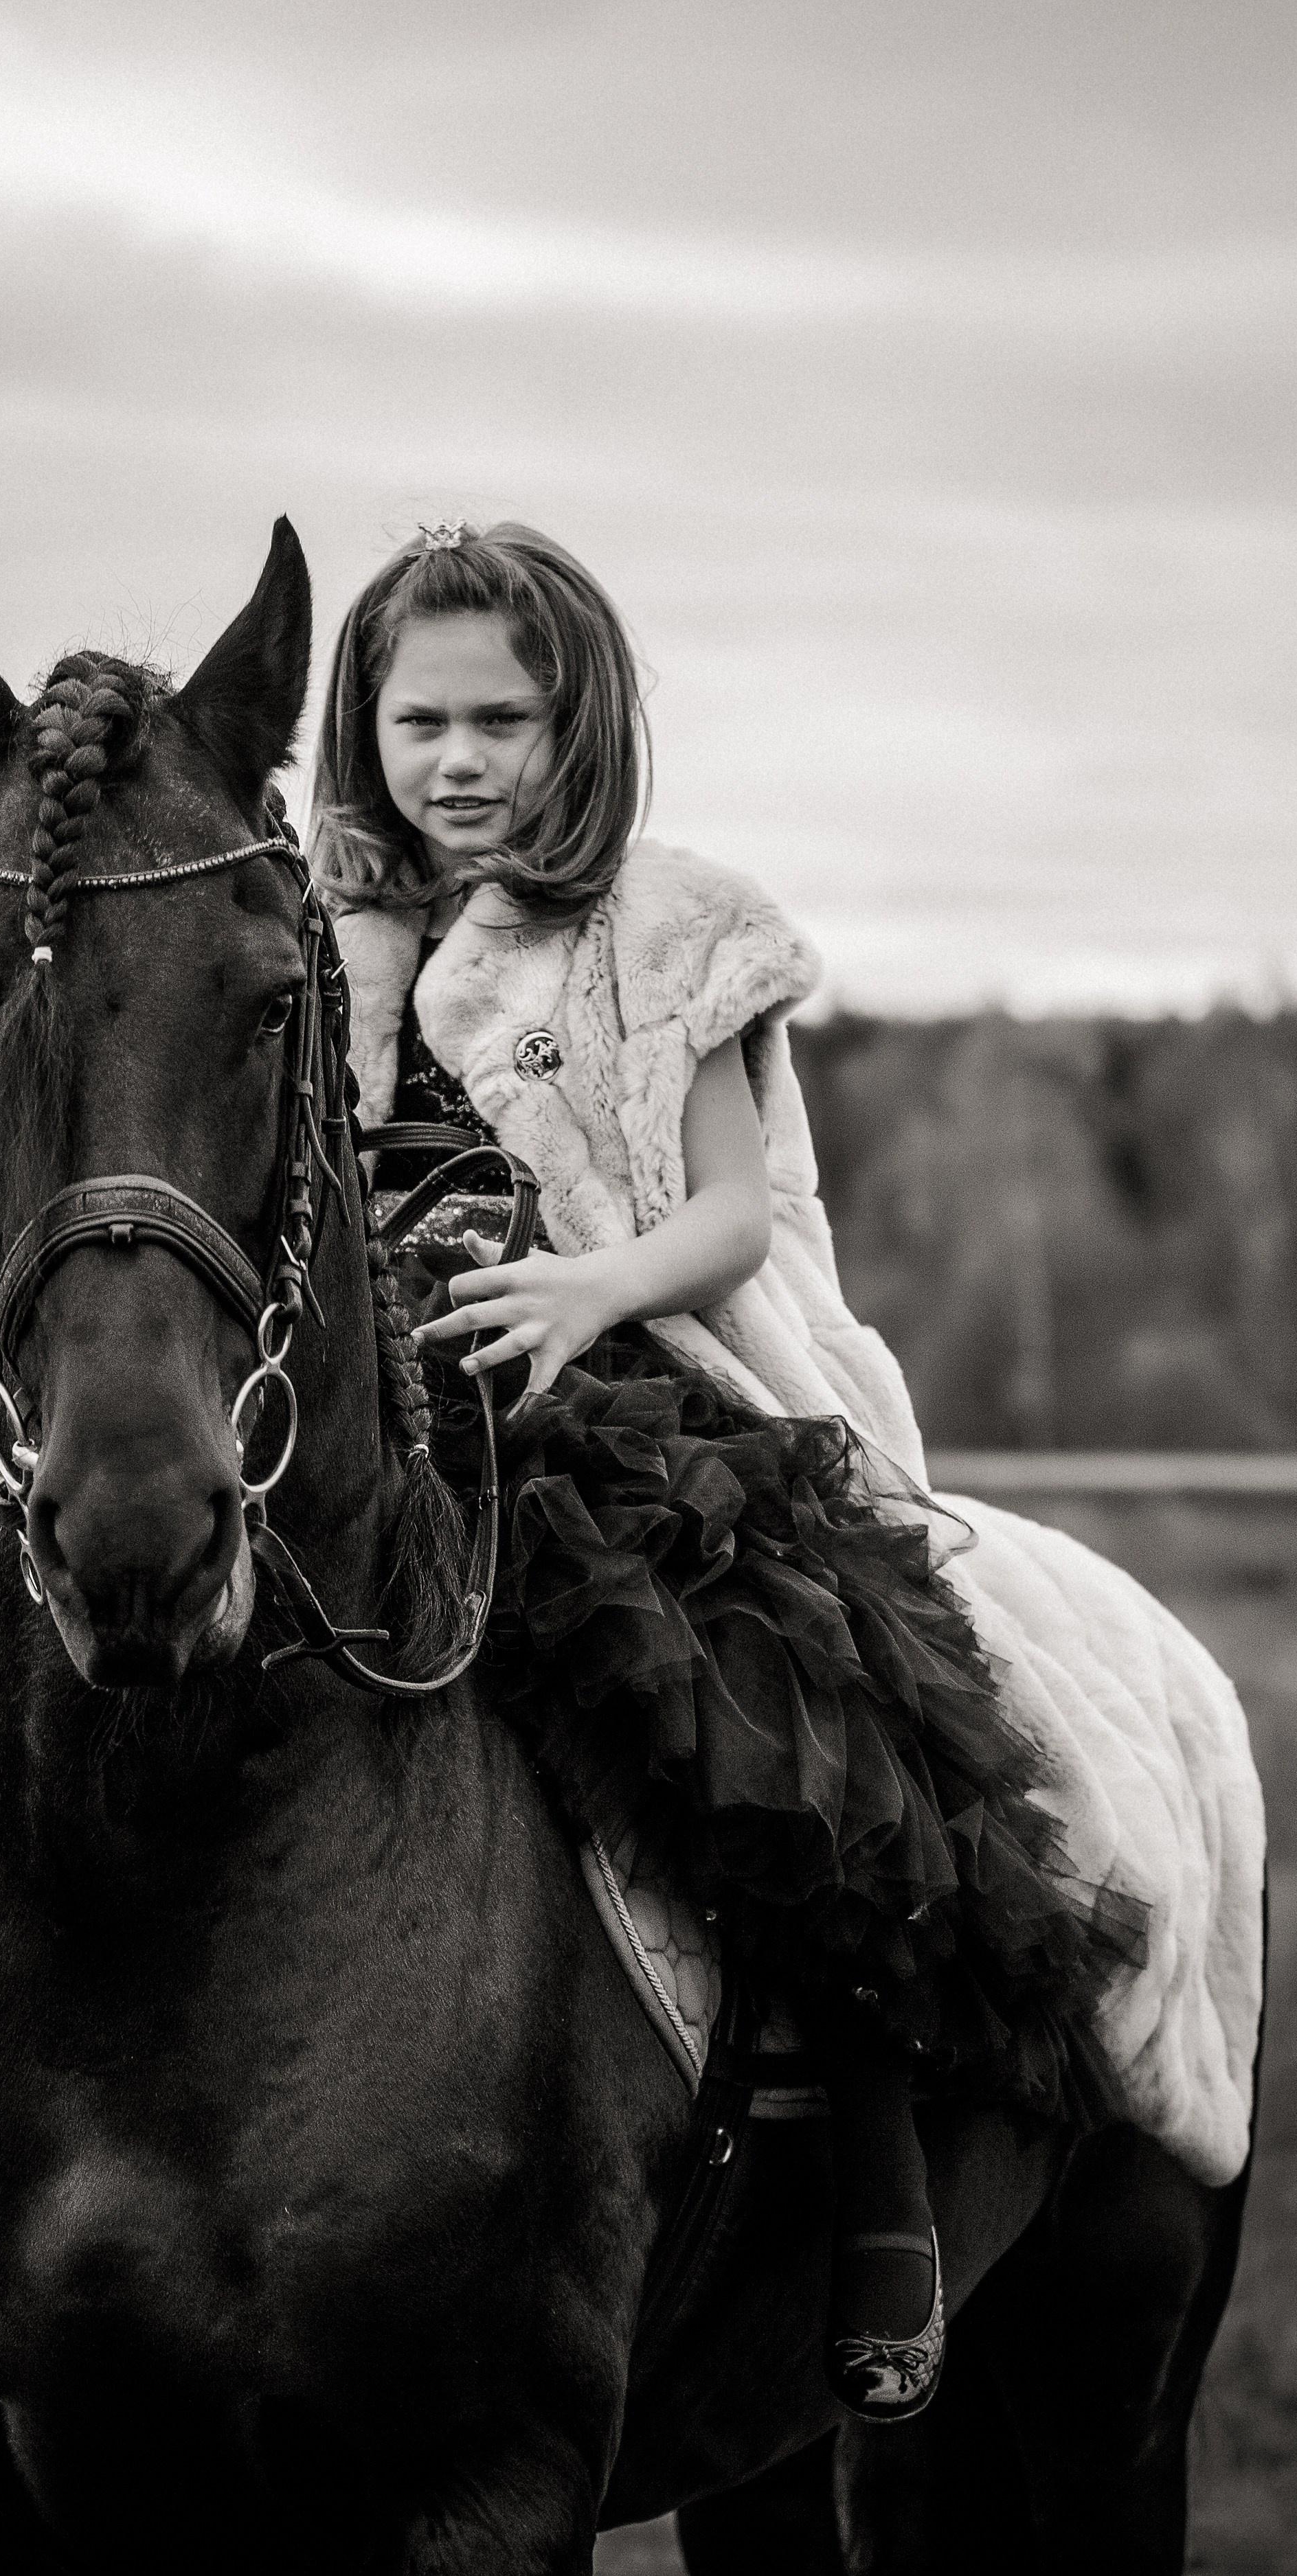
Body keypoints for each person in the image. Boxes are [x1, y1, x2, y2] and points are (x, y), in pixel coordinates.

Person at [311, 516, 1147, 2422]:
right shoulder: (327, 937)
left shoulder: (666, 927)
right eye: (418, 719)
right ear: (361, 729)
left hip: (631, 1376)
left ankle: (872, 2175)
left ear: (575, 724)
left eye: (501, 720)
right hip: (377, 1399)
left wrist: (584, 1288)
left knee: (767, 1703)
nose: (456, 761)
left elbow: (729, 1218)